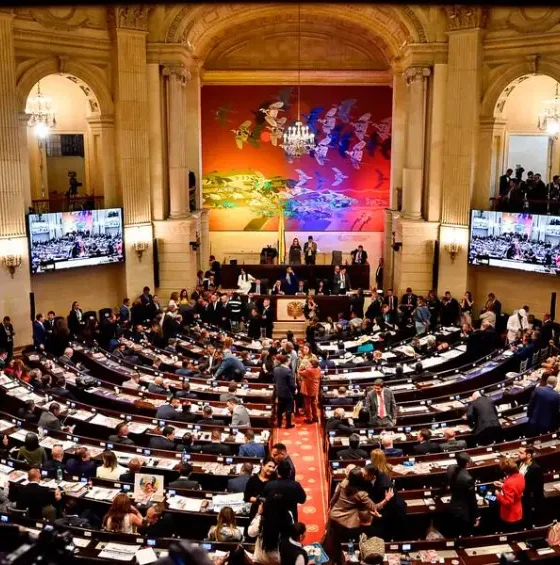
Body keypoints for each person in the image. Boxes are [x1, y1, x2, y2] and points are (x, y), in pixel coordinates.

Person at [325, 467, 393, 564]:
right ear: (361, 480)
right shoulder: (361, 494)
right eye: (363, 476)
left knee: (334, 543)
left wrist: (331, 508)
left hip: (334, 516)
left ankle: (336, 560)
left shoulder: (344, 483)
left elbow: (333, 499)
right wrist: (386, 499)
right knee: (347, 546)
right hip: (346, 523)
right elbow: (375, 507)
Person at [447, 452, 478, 537]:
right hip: (463, 510)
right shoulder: (468, 479)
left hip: (453, 504)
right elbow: (472, 499)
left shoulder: (450, 468)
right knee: (466, 533)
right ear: (467, 464)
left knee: (455, 532)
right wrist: (477, 516)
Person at [247, 498, 285, 564]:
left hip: (261, 559)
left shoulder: (262, 519)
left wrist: (258, 514)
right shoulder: (284, 518)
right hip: (275, 559)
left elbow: (251, 533)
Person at [494, 457, 525, 532]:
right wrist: (502, 485)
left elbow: (508, 502)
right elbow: (515, 489)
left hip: (510, 514)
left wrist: (498, 494)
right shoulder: (520, 476)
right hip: (518, 510)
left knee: (509, 533)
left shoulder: (509, 483)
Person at [517, 445, 544, 527]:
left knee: (529, 520)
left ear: (528, 455)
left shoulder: (535, 468)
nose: (518, 455)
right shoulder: (521, 463)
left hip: (530, 499)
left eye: (521, 453)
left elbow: (538, 487)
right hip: (522, 496)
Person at [244, 457, 276, 522]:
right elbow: (247, 497)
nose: (271, 469)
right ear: (262, 465)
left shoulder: (274, 481)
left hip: (270, 513)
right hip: (255, 512)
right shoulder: (253, 479)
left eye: (273, 467)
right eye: (269, 466)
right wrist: (259, 500)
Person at [274, 354, 295, 429]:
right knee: (288, 409)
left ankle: (279, 424)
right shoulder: (288, 371)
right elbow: (291, 384)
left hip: (279, 392)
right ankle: (288, 424)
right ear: (287, 361)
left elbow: (274, 380)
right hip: (287, 393)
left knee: (279, 409)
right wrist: (294, 390)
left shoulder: (276, 369)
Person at [299, 358, 321, 423]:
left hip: (308, 389)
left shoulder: (309, 370)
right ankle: (315, 417)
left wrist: (302, 367)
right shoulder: (318, 369)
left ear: (312, 364)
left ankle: (309, 419)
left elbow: (300, 372)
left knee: (307, 404)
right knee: (314, 403)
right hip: (315, 389)